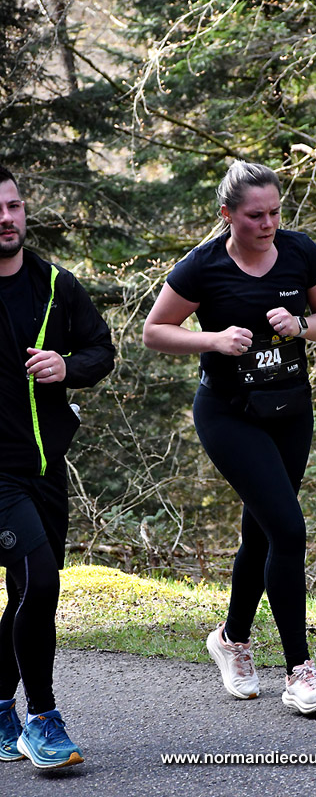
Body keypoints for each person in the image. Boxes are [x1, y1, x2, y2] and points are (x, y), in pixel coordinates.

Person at [143, 160, 316, 715]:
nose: (268, 223)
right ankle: (300, 673)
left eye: (275, 212)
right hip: (228, 414)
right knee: (289, 529)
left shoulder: (300, 252)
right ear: (227, 214)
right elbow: (154, 331)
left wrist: (299, 326)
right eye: (256, 215)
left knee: (263, 534)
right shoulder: (202, 266)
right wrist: (212, 339)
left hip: (290, 409)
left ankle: (231, 640)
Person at [0, 166, 115, 767]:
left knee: (28, 589)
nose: (6, 219)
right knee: (40, 582)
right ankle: (42, 720)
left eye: (14, 206)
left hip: (45, 468)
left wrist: (67, 366)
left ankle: (0, 707)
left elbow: (102, 350)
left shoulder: (55, 285)